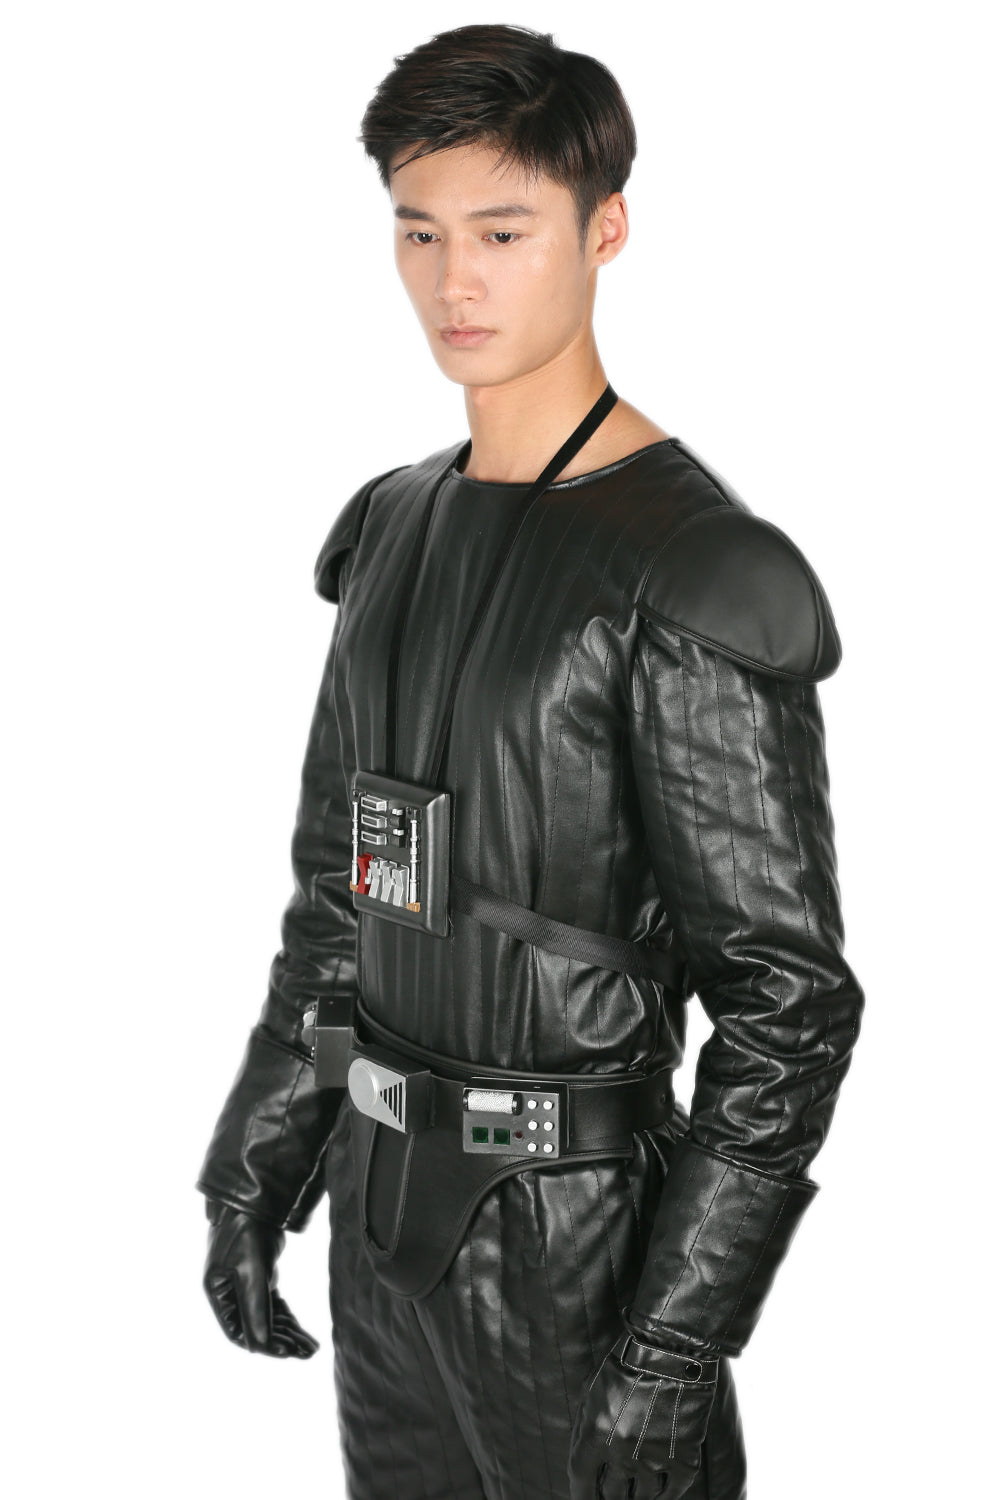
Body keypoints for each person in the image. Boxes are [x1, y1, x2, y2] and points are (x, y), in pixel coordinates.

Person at [196, 23, 865, 1500]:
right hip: (382, 1236)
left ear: (603, 228)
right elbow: (345, 891)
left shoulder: (696, 570)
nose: (456, 281)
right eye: (419, 232)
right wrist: (259, 1158)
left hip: (583, 1259)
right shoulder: (390, 527)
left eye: (503, 232)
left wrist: (674, 1345)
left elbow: (788, 1002)